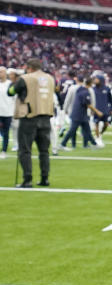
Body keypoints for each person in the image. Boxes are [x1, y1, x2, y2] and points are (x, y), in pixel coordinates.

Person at [7, 58, 56, 188]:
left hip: (29, 117)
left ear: (29, 68)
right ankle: (45, 178)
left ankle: (27, 179)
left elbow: (10, 92)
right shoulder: (50, 78)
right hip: (46, 118)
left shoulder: (26, 78)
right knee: (44, 151)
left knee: (25, 150)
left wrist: (15, 80)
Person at [60, 78, 100, 151]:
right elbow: (88, 104)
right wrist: (97, 112)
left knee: (87, 129)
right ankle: (62, 144)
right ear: (90, 83)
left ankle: (94, 144)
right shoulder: (85, 92)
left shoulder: (80, 89)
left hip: (79, 113)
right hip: (79, 114)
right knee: (72, 130)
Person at [0, 66, 13, 158]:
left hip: (8, 112)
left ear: (5, 73)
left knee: (6, 132)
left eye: (1, 72)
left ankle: (4, 150)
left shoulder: (10, 84)